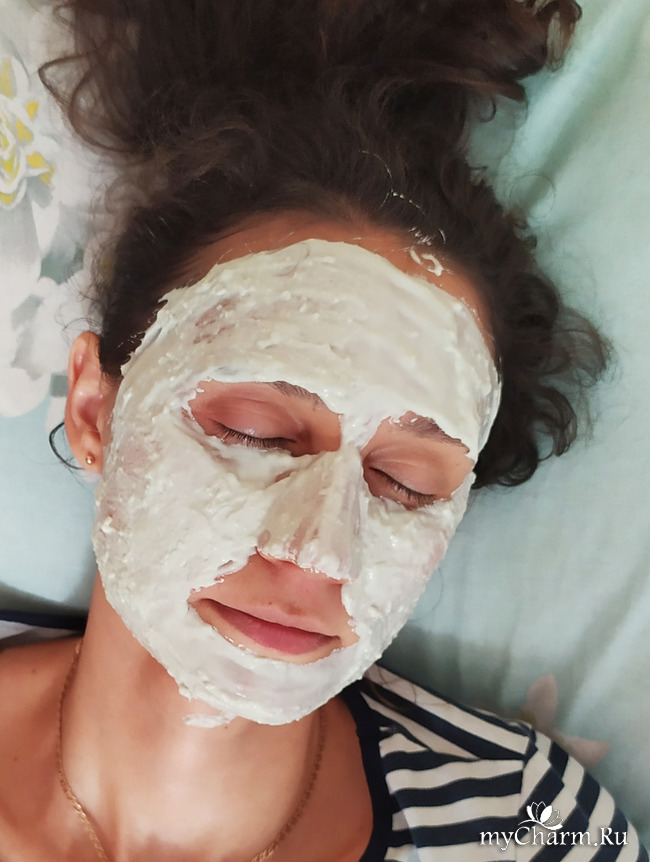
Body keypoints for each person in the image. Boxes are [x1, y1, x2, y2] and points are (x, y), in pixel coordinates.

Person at [0, 0, 646, 859]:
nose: (321, 554)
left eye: (403, 484)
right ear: (96, 412)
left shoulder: (535, 832)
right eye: (257, 433)